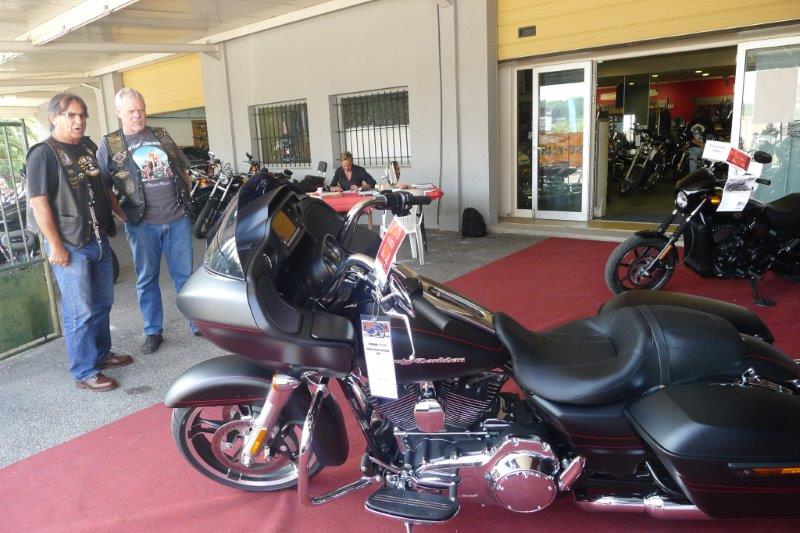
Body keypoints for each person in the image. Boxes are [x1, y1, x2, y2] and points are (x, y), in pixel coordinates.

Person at [26, 93, 133, 391]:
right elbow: (38, 204)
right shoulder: (43, 154)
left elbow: (103, 187)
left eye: (82, 115)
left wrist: (122, 214)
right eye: (71, 115)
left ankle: (101, 354)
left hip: (98, 239)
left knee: (102, 303)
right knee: (79, 310)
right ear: (53, 118)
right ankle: (84, 371)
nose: (79, 121)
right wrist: (56, 246)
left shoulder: (87, 146)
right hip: (71, 245)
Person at [97, 87, 197, 355]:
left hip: (176, 219)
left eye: (141, 109)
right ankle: (153, 330)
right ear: (119, 112)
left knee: (185, 275)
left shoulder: (161, 134)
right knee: (147, 278)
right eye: (131, 111)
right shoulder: (110, 144)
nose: (138, 115)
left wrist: (185, 198)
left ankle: (196, 322)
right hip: (142, 224)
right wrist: (121, 214)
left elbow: (182, 169)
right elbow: (103, 186)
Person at [687, 107, 716, 172]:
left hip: (694, 148)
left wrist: (700, 144)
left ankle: (693, 175)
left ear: (696, 114)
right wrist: (704, 144)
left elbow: (688, 137)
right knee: (706, 167)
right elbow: (712, 135)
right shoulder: (709, 122)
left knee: (693, 163)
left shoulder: (691, 122)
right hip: (706, 148)